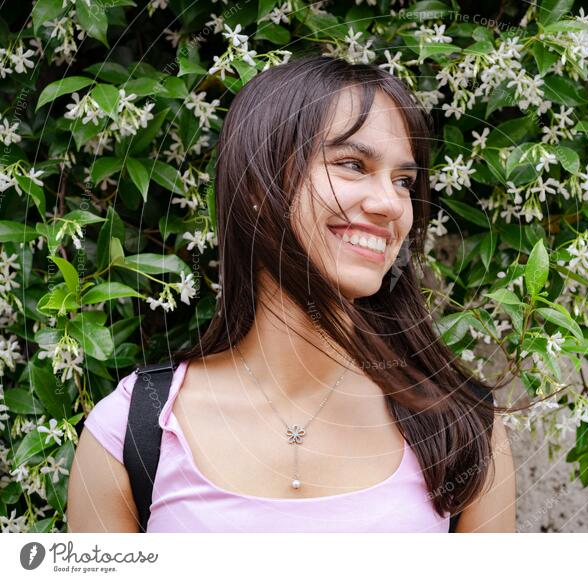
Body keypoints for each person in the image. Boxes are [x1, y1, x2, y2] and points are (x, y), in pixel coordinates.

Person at [66, 53, 517, 533]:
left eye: (403, 181)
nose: (389, 204)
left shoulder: (462, 428)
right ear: (258, 186)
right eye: (352, 164)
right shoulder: (133, 430)